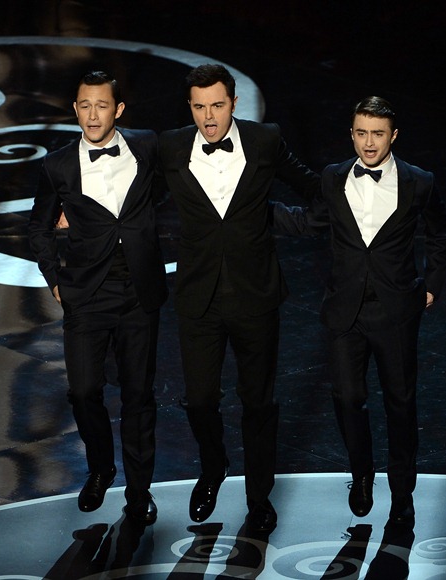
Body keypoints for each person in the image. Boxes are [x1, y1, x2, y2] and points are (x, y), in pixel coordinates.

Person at [272, 96, 446, 528]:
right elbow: (311, 221)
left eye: (377, 134)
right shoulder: (334, 177)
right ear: (351, 134)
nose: (368, 143)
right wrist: (253, 210)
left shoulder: (419, 182)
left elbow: (441, 232)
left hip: (396, 311)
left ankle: (403, 493)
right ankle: (362, 473)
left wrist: (432, 285)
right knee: (347, 398)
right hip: (345, 311)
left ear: (394, 136)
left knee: (400, 403)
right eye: (361, 133)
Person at [158, 63, 320, 533]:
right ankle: (213, 468)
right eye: (199, 107)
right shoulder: (170, 146)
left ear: (234, 102)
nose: (209, 117)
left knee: (258, 402)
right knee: (199, 399)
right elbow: (131, 196)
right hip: (199, 296)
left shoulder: (264, 140)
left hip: (255, 295)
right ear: (190, 107)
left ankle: (259, 497)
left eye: (217, 105)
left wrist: (291, 219)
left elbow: (312, 185)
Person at [28, 71, 167, 525]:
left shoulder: (147, 146)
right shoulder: (58, 165)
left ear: (118, 110)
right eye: (84, 106)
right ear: (75, 109)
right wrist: (54, 280)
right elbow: (38, 227)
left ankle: (139, 492)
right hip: (86, 293)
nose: (92, 115)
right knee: (84, 390)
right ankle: (102, 467)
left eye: (102, 105)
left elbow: (165, 190)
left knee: (138, 396)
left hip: (138, 291)